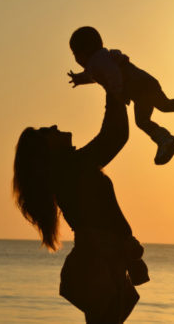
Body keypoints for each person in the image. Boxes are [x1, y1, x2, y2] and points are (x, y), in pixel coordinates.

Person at [13, 89, 148, 323]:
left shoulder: (70, 170)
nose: (54, 126)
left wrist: (114, 91)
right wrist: (112, 88)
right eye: (48, 132)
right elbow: (114, 136)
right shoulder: (72, 169)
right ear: (47, 152)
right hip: (98, 262)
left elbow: (114, 136)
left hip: (101, 260)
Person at [67, 26, 174, 165]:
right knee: (163, 106)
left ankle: (167, 138)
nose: (76, 60)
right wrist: (80, 79)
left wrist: (117, 92)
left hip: (140, 87)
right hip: (143, 85)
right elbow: (95, 75)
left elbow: (112, 73)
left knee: (145, 119)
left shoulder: (97, 61)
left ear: (84, 52)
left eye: (75, 55)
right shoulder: (100, 60)